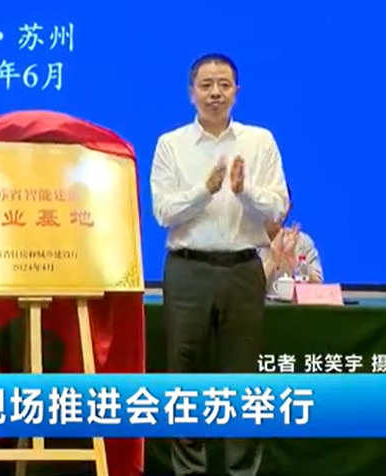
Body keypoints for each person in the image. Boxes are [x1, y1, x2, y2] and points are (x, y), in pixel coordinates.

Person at [150, 54, 288, 476]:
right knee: (184, 374)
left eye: (224, 85)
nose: (215, 93)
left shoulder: (260, 141)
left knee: (243, 376)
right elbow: (163, 212)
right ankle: (189, 469)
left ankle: (242, 470)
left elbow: (278, 206)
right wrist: (205, 190)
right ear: (191, 93)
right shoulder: (171, 144)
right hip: (187, 269)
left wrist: (245, 191)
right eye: (206, 85)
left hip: (243, 268)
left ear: (237, 92)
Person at [260, 185, 323, 287]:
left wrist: (294, 261)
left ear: (289, 207)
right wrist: (272, 261)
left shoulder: (303, 242)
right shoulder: (247, 243)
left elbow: (317, 287)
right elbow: (247, 289)